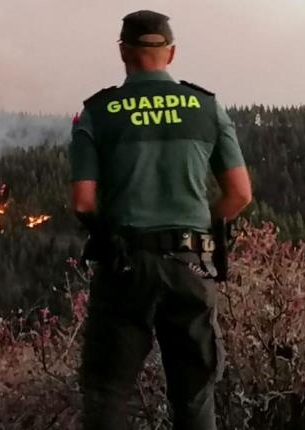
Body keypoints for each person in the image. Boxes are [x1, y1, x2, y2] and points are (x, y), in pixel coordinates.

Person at [69, 10, 253, 430]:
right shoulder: (206, 107)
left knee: (108, 394)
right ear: (171, 53)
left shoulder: (98, 112)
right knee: (194, 395)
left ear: (123, 53)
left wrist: (110, 233)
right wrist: (199, 229)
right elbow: (240, 194)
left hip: (125, 268)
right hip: (190, 266)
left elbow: (82, 202)